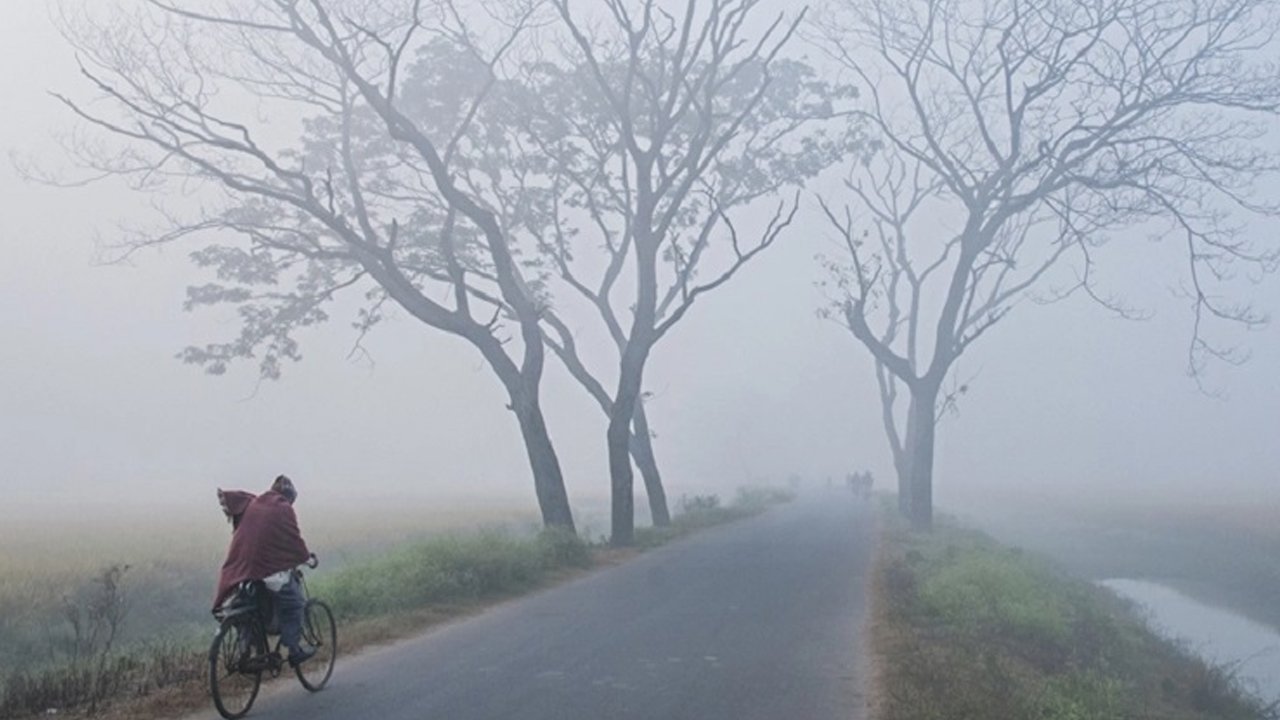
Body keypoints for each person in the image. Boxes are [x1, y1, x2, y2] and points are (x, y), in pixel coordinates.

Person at [213, 475, 317, 667]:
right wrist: (306, 558)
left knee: (247, 607)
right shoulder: (284, 508)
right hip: (266, 568)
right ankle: (294, 650)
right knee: (295, 604)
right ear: (289, 497)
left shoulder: (254, 503)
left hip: (242, 568)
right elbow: (294, 540)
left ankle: (247, 649)